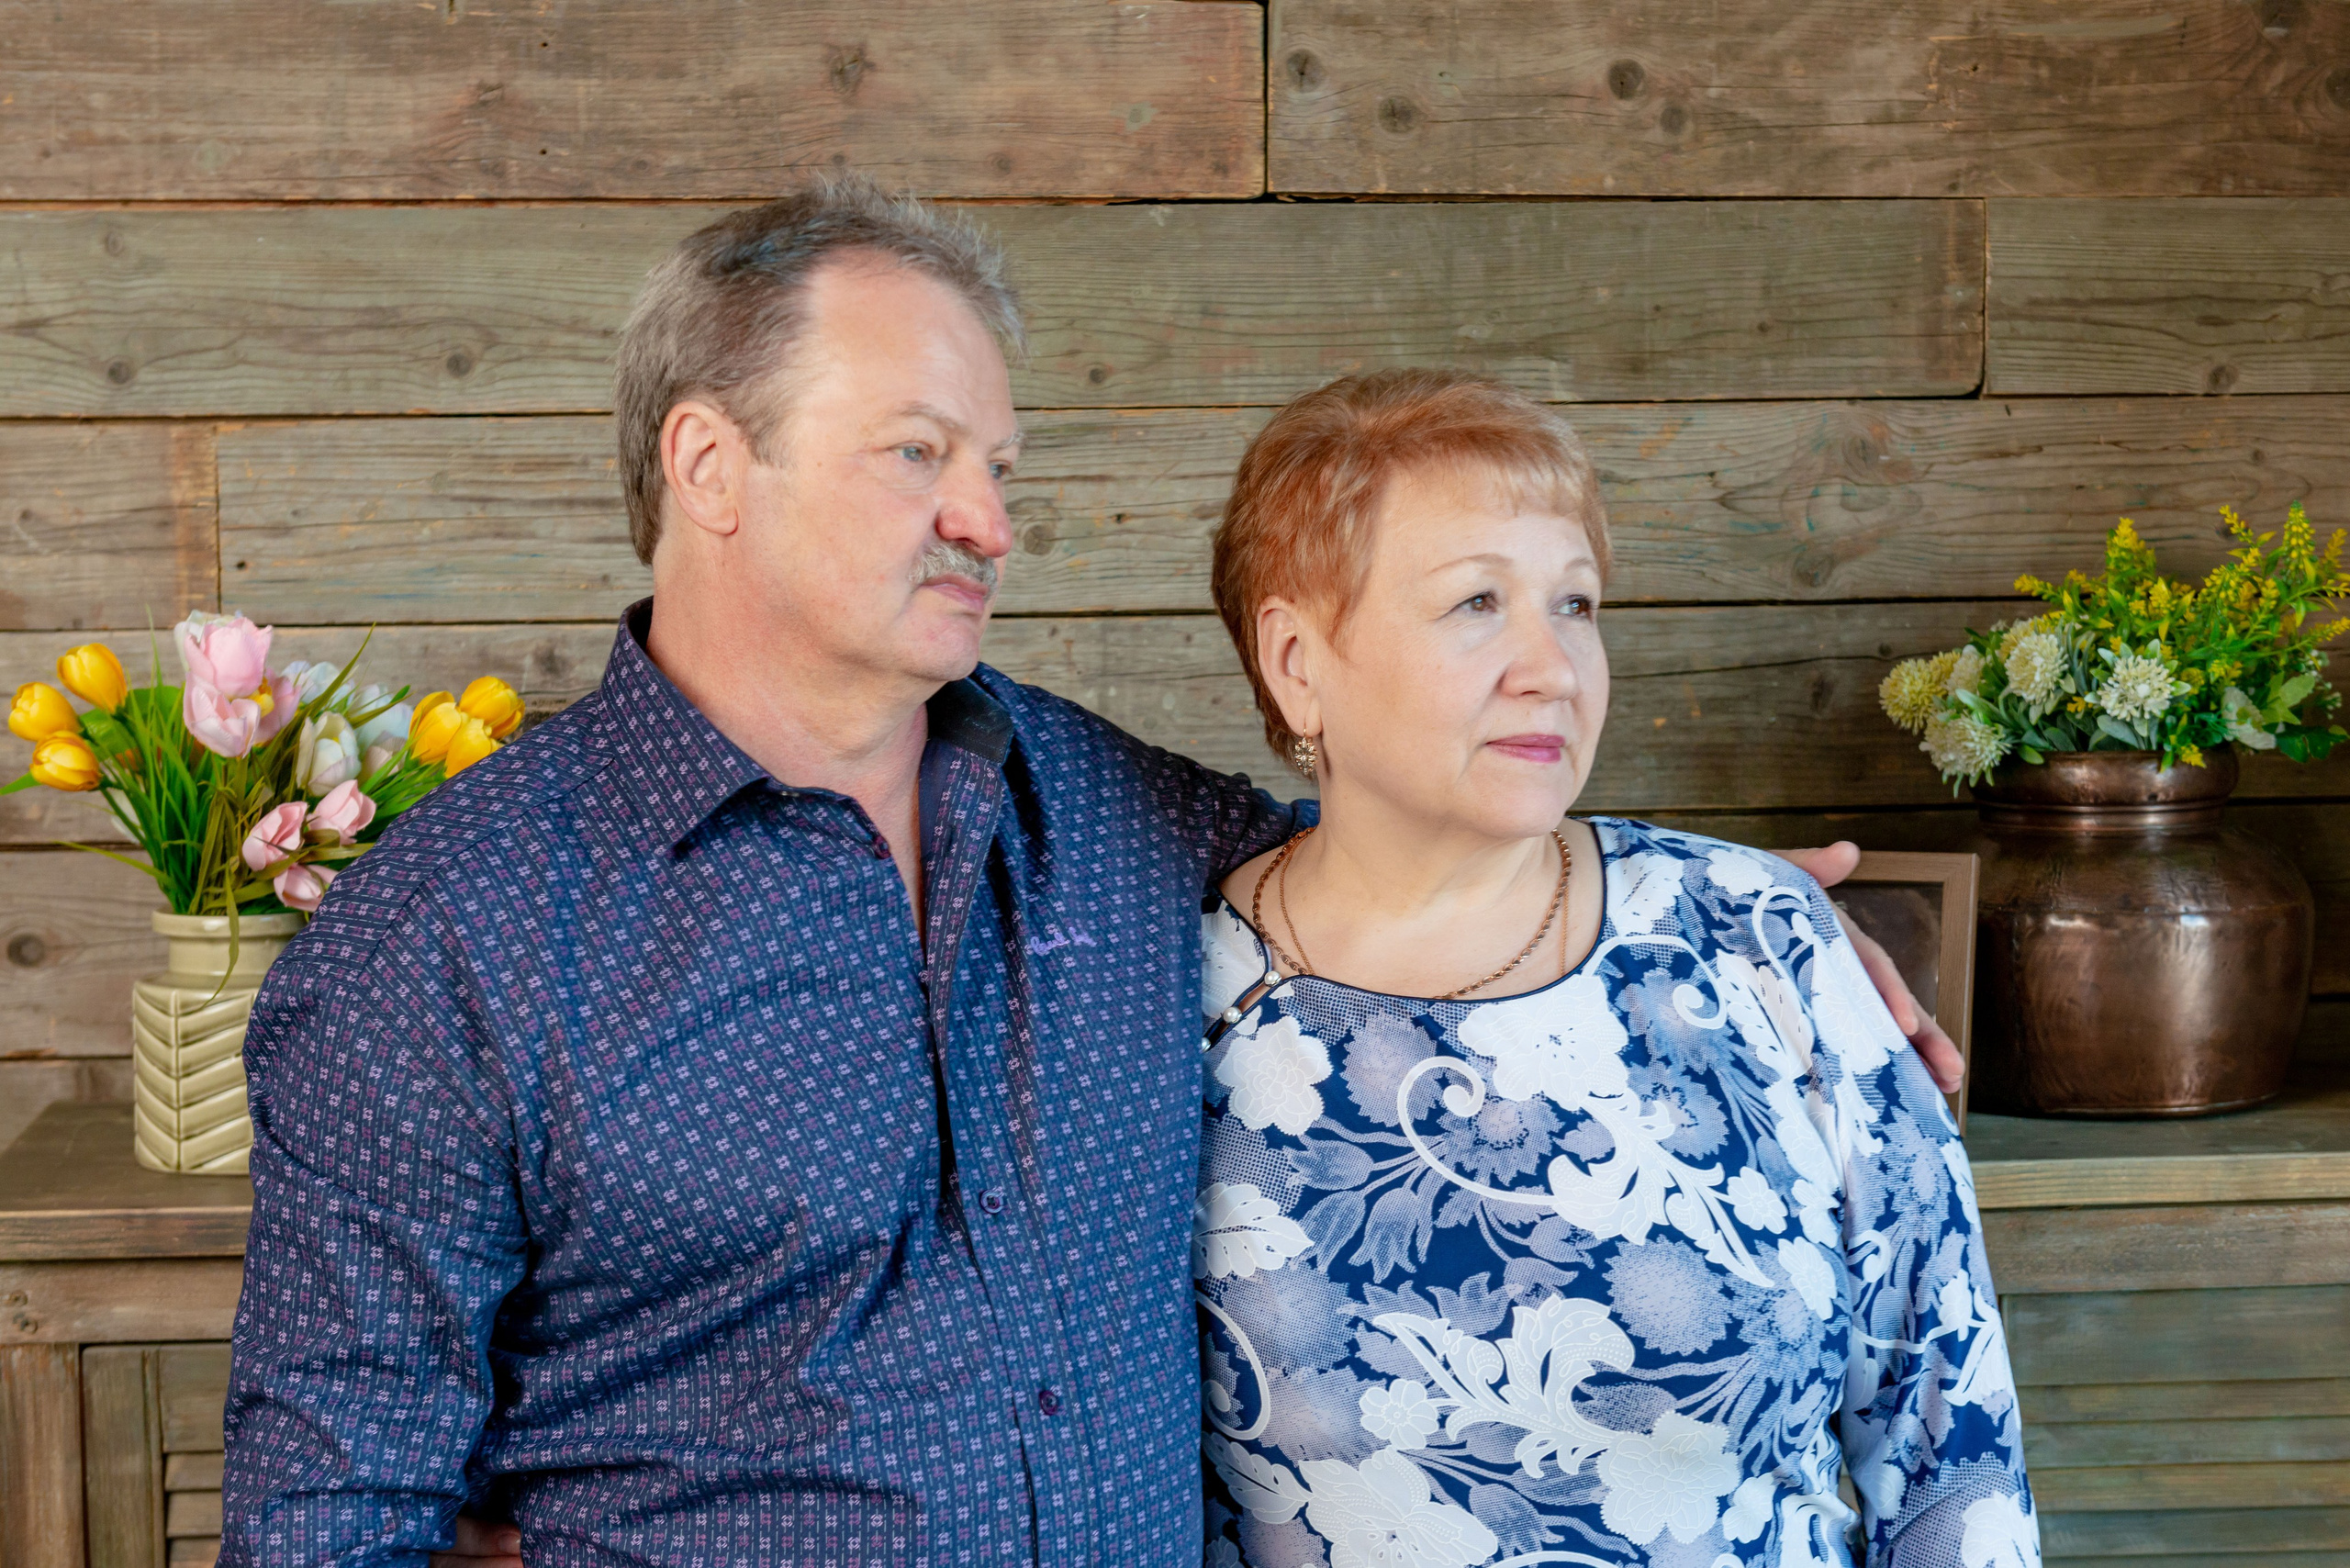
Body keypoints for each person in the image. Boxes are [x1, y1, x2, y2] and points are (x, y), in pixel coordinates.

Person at [219, 179, 1964, 1567]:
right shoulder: (444, 940)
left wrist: (1717, 922)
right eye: (919, 451)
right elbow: (325, 1519)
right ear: (707, 463)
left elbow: (1406, 843)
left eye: (1000, 467)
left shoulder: (1099, 805)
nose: (987, 516)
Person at [1192, 371, 2036, 1567]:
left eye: (1576, 604)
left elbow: (1954, 1439)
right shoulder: (1172, 1005)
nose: (1552, 663)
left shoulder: (1757, 936)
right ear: (1296, 662)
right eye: (1477, 602)